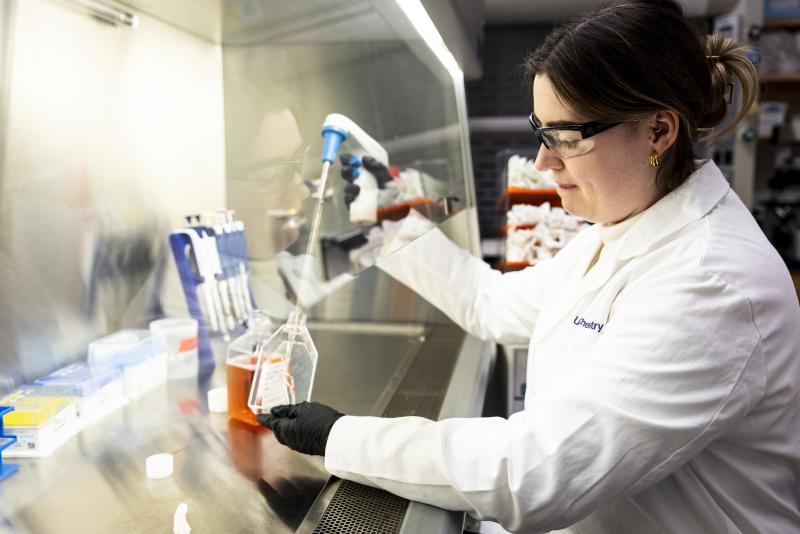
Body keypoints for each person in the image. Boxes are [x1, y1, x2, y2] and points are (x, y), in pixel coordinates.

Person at [258, 1, 800, 532]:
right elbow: (488, 302)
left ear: (659, 131)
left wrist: (341, 437)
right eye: (541, 131)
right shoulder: (620, 229)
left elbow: (535, 473)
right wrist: (386, 217)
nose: (544, 160)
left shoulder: (713, 281)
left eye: (567, 137)